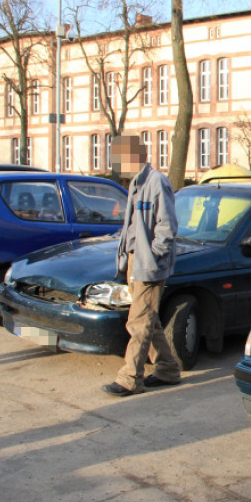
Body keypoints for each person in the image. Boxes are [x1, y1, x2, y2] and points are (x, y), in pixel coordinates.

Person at [102, 134, 182, 396]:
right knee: (147, 319)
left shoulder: (157, 182)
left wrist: (155, 256)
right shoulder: (136, 182)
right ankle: (168, 368)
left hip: (148, 263)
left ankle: (130, 378)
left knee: (138, 321)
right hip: (135, 262)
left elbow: (167, 227)